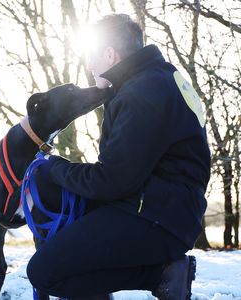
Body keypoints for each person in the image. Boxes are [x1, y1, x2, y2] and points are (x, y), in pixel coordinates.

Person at [26, 14, 211, 300]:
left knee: (44, 272)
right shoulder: (159, 79)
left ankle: (163, 273)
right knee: (69, 244)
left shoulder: (142, 92)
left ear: (110, 54)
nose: (89, 66)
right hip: (166, 208)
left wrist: (55, 168)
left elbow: (112, 180)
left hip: (158, 216)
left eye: (92, 58)